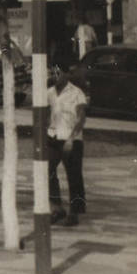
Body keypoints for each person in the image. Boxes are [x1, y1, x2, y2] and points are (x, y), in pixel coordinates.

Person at [47, 63, 88, 226]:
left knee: (74, 176)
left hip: (72, 139)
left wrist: (71, 138)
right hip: (53, 136)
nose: (54, 76)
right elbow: (46, 114)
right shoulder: (49, 92)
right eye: (52, 73)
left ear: (65, 74)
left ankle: (74, 212)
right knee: (47, 170)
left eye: (57, 73)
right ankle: (57, 208)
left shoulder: (76, 93)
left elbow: (81, 118)